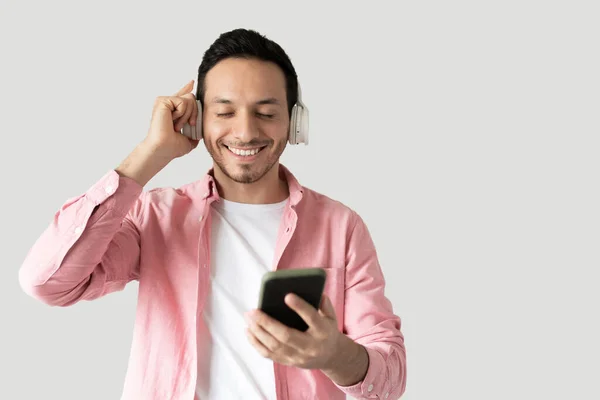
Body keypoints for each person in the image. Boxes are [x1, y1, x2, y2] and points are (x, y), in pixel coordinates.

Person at [18, 28, 407, 400]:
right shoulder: (154, 216)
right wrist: (151, 153)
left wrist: (334, 355)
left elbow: (391, 379)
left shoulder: (341, 227)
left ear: (295, 123)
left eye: (266, 113)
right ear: (198, 119)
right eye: (224, 112)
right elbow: (47, 283)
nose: (244, 132)